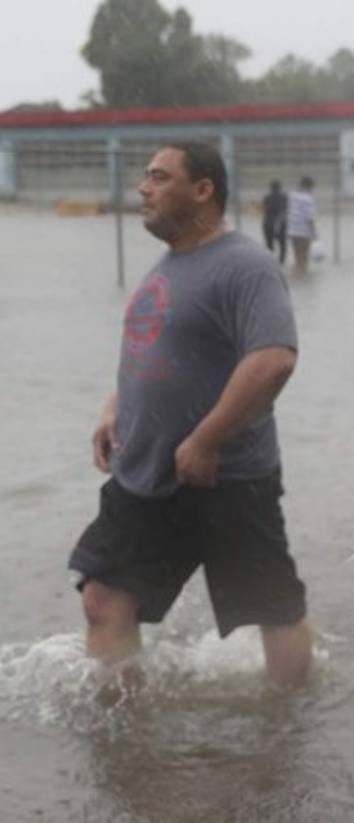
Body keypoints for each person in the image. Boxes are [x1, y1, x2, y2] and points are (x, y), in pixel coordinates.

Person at [68, 141, 312, 691]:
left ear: (203, 190)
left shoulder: (245, 265)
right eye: (145, 177)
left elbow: (274, 358)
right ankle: (125, 737)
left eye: (159, 177)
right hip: (145, 474)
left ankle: (290, 729)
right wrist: (114, 411)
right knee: (103, 596)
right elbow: (151, 353)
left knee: (272, 608)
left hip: (227, 478)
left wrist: (206, 439)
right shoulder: (165, 268)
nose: (142, 188)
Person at [286, 176, 317, 274]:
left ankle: (297, 274)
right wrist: (314, 232)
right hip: (303, 231)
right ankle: (301, 274)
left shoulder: (293, 195)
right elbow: (310, 218)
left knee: (297, 254)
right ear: (310, 186)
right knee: (304, 255)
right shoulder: (308, 199)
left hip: (292, 229)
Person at [260, 179, 287, 264]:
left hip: (269, 221)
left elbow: (263, 209)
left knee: (269, 243)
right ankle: (281, 260)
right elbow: (286, 210)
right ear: (280, 188)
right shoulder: (284, 197)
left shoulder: (267, 197)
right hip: (280, 222)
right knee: (282, 243)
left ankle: (270, 260)